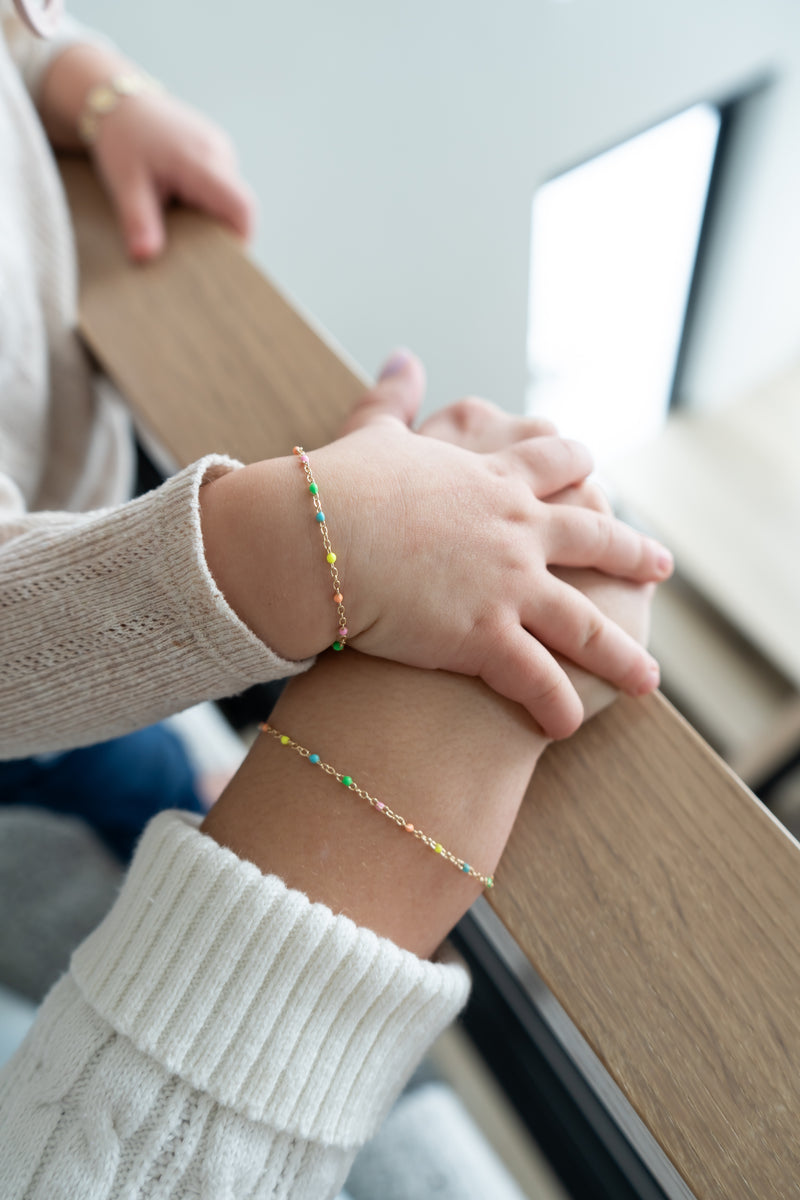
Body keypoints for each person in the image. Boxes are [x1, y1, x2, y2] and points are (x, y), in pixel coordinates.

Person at [0, 1, 672, 1194]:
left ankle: (167, 782)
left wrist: (76, 79)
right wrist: (328, 539)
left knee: (137, 770)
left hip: (66, 568)